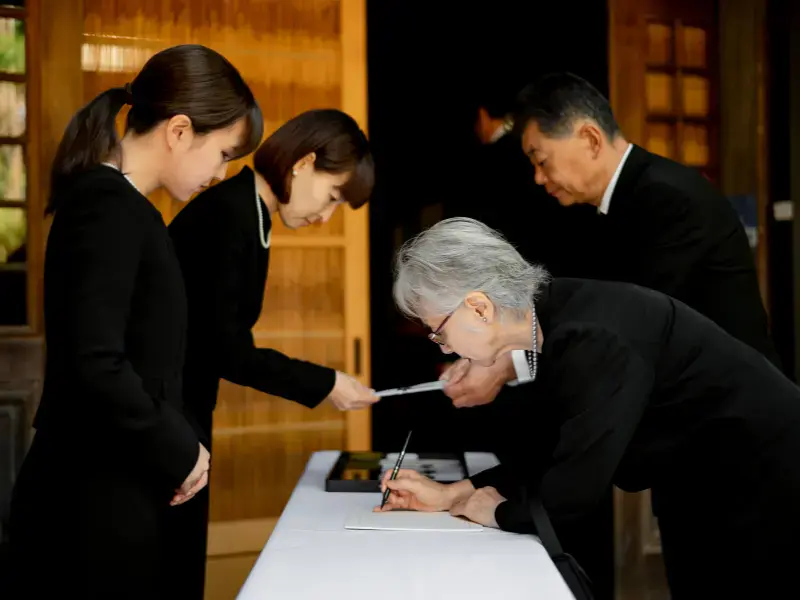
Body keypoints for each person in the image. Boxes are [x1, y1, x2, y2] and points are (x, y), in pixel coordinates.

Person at [382, 217, 800, 598]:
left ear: (479, 307)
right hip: (705, 479)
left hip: (762, 477)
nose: (444, 348)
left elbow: (571, 494)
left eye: (439, 332)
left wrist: (496, 512)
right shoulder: (556, 316)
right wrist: (452, 494)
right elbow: (553, 449)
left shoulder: (591, 337)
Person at [6, 44, 263, 599]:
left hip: (115, 489)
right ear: (179, 131)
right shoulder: (106, 206)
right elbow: (95, 362)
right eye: (222, 154)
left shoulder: (125, 208)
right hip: (89, 502)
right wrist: (180, 447)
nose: (220, 173)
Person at [444, 71, 781, 407]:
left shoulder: (668, 200)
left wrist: (509, 363)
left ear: (591, 139)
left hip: (737, 405)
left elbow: (632, 322)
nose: (538, 177)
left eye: (542, 160)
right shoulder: (609, 203)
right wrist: (505, 355)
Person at [167, 108, 379, 598]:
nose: (325, 217)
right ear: (304, 163)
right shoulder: (231, 213)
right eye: (332, 196)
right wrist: (326, 382)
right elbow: (228, 350)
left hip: (185, 408)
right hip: (167, 414)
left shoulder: (251, 212)